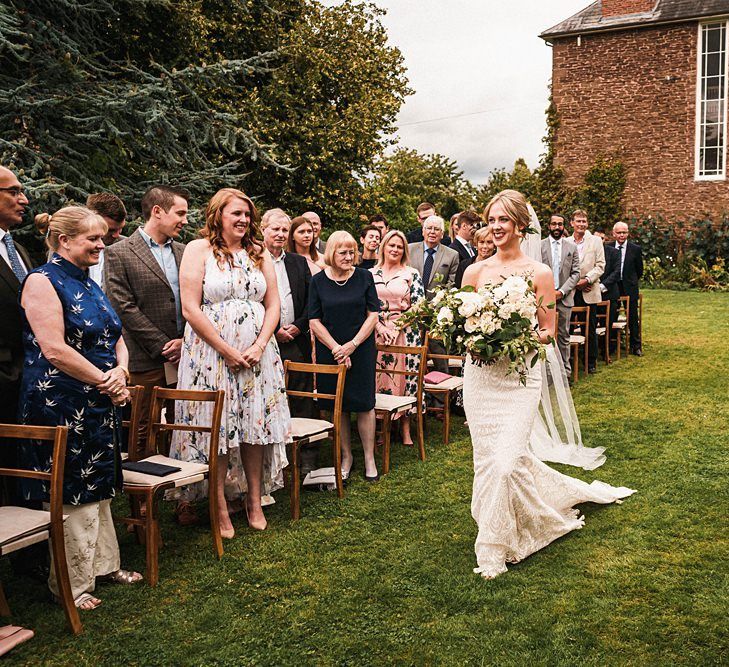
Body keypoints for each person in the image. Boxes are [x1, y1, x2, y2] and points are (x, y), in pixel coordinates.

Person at [461, 190, 635, 580]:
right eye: (492, 220)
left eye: (504, 220)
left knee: (507, 461)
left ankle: (498, 542)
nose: (496, 227)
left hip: (519, 378)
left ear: (521, 225)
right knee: (490, 462)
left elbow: (547, 332)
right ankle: (497, 532)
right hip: (481, 378)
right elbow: (463, 324)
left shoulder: (538, 273)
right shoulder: (475, 272)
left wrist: (507, 333)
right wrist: (475, 339)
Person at [19, 206, 141, 610]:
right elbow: (54, 349)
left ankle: (105, 566)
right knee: (74, 494)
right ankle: (71, 584)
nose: (101, 245)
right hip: (62, 403)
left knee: (102, 487)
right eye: (93, 238)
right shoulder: (42, 282)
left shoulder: (89, 283)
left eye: (102, 237)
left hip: (99, 401)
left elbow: (116, 335)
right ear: (64, 240)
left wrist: (121, 371)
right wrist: (106, 380)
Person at [169, 189, 290, 536]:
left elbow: (273, 305)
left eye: (248, 215)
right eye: (236, 213)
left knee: (255, 426)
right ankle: (218, 505)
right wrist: (226, 349)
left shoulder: (258, 251)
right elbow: (191, 308)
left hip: (258, 356)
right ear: (217, 214)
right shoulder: (198, 250)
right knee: (218, 427)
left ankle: (254, 499)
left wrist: (260, 343)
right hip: (210, 357)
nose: (243, 220)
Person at [104, 186, 188, 460]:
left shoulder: (185, 251)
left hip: (184, 354)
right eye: (180, 213)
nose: (185, 220)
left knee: (183, 423)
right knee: (143, 426)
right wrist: (163, 345)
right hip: (145, 355)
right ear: (157, 212)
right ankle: (141, 494)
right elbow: (123, 306)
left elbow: (196, 301)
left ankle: (180, 490)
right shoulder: (120, 252)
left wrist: (185, 341)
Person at [309, 231, 380, 481]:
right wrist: (336, 349)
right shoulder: (318, 281)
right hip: (331, 352)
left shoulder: (364, 277)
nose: (349, 257)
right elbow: (314, 320)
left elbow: (373, 315)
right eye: (343, 252)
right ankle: (346, 456)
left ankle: (370, 458)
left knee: (364, 403)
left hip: (361, 349)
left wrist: (351, 345)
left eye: (352, 252)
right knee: (338, 406)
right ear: (331, 253)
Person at [260, 208, 316, 475]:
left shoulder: (297, 262)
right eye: (276, 229)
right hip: (265, 340)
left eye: (284, 230)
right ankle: (273, 457)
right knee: (269, 398)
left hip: (296, 338)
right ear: (263, 230)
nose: (281, 234)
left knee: (302, 396)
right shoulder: (253, 259)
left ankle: (305, 455)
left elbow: (310, 301)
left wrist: (297, 326)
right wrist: (272, 331)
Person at [370, 230, 425, 446]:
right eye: (391, 245)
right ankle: (378, 428)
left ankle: (405, 429)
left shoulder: (411, 273)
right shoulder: (370, 273)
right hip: (376, 332)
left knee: (406, 378)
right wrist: (380, 326)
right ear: (383, 246)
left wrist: (396, 327)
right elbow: (365, 305)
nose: (395, 249)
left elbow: (420, 306)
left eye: (399, 247)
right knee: (377, 378)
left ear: (404, 251)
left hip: (405, 333)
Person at [408, 215, 460, 380]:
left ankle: (440, 397)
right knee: (411, 355)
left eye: (436, 229)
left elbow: (451, 286)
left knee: (439, 355)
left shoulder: (452, 255)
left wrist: (436, 307)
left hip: (436, 315)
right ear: (423, 231)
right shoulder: (409, 250)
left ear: (442, 234)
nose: (432, 232)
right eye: (429, 228)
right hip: (410, 312)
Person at [565, 209, 605, 374]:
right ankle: (569, 360)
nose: (581, 224)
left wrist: (587, 280)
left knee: (589, 328)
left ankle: (590, 362)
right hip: (571, 291)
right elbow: (562, 267)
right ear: (572, 223)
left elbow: (600, 265)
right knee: (566, 327)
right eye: (578, 221)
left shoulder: (595, 241)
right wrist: (574, 284)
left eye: (584, 221)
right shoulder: (566, 241)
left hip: (589, 290)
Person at [540, 214, 580, 376]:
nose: (557, 227)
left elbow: (576, 273)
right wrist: (548, 292)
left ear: (564, 226)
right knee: (544, 335)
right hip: (543, 298)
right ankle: (547, 372)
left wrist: (562, 291)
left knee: (564, 335)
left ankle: (565, 373)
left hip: (564, 297)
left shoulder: (571, 247)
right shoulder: (540, 246)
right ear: (549, 226)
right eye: (554, 224)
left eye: (560, 224)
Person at [612, 221, 644, 356]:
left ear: (628, 233)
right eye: (619, 232)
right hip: (613, 286)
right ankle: (612, 345)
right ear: (614, 234)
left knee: (632, 316)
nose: (621, 235)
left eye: (624, 232)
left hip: (629, 287)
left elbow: (639, 270)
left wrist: (631, 281)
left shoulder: (635, 249)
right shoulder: (608, 248)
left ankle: (635, 345)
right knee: (612, 315)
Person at [85, 193, 127, 288]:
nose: (117, 235)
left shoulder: (127, 247)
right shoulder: (67, 247)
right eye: (111, 230)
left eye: (120, 229)